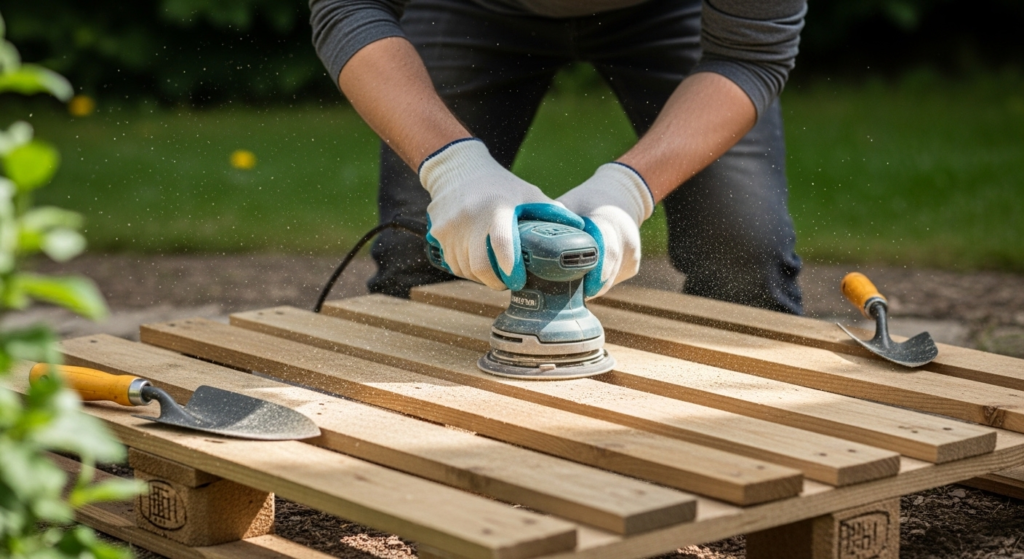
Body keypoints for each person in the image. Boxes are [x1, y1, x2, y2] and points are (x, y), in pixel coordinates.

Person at [310, 0, 806, 314]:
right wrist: (452, 166)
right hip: (468, 6)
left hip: (675, 11)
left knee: (745, 251)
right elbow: (348, 6)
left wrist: (628, 191)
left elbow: (748, 54)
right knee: (423, 249)